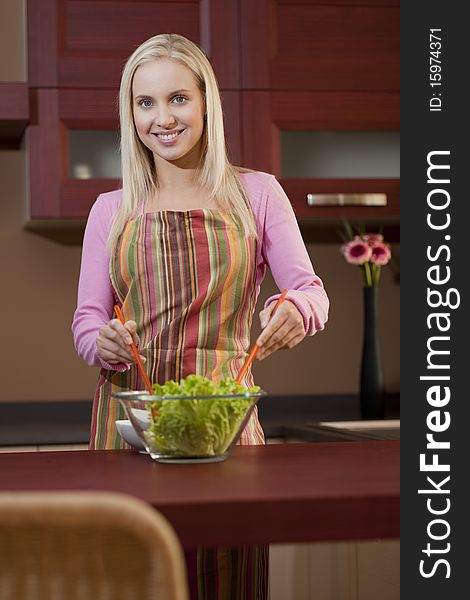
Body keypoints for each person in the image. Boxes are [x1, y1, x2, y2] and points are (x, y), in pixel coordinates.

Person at [72, 33, 329, 600]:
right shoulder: (110, 208)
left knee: (226, 580)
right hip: (129, 433)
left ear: (206, 102)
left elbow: (311, 291)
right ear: (130, 112)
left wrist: (296, 310)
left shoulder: (257, 194)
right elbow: (86, 322)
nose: (162, 118)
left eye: (178, 99)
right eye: (146, 103)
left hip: (225, 435)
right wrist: (103, 340)